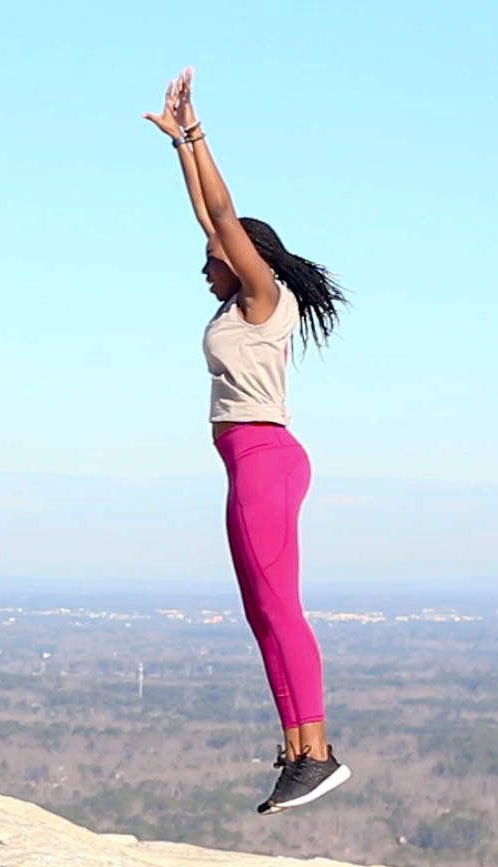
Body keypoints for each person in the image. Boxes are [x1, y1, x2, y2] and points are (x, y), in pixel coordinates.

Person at [143, 69, 351, 814]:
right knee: (262, 610)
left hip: (265, 459)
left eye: (212, 256)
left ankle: (318, 752)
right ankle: (297, 752)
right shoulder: (243, 298)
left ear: (242, 258)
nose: (202, 264)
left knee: (280, 607)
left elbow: (224, 211)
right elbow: (209, 213)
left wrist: (199, 132)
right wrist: (178, 149)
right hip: (248, 464)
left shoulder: (264, 297)